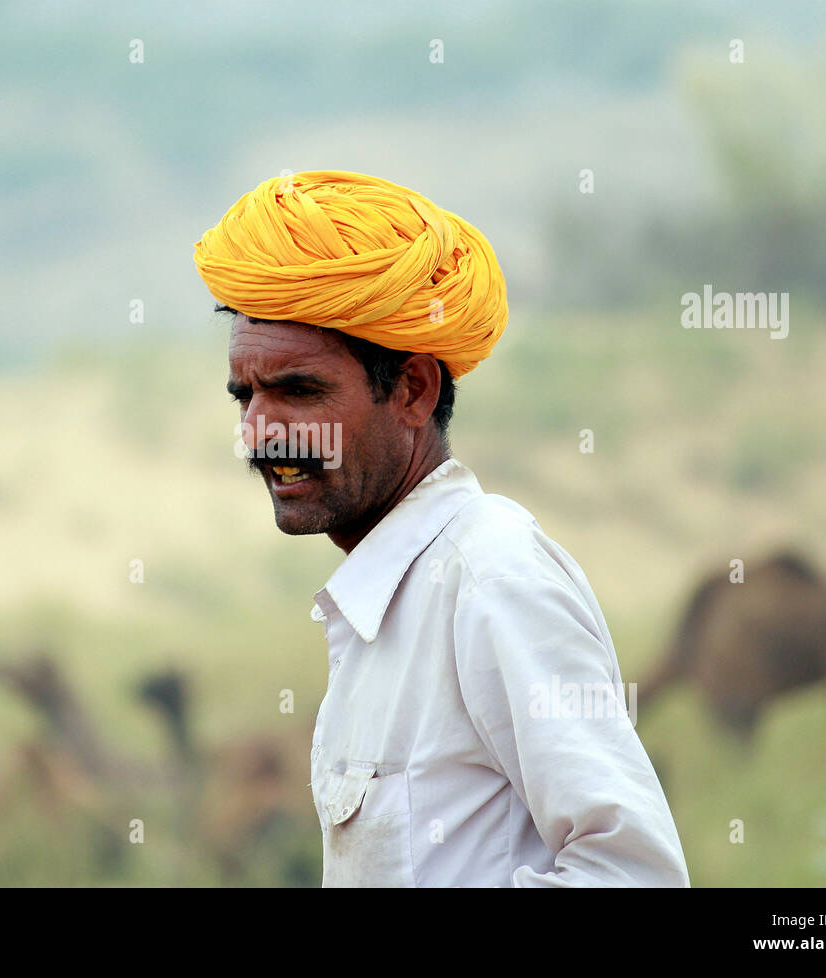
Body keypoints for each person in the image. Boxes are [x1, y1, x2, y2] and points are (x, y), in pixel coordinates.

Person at [194, 170, 689, 887]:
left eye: (299, 391)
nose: (259, 433)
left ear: (413, 390)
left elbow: (634, 876)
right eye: (247, 396)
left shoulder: (491, 581)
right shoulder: (381, 604)